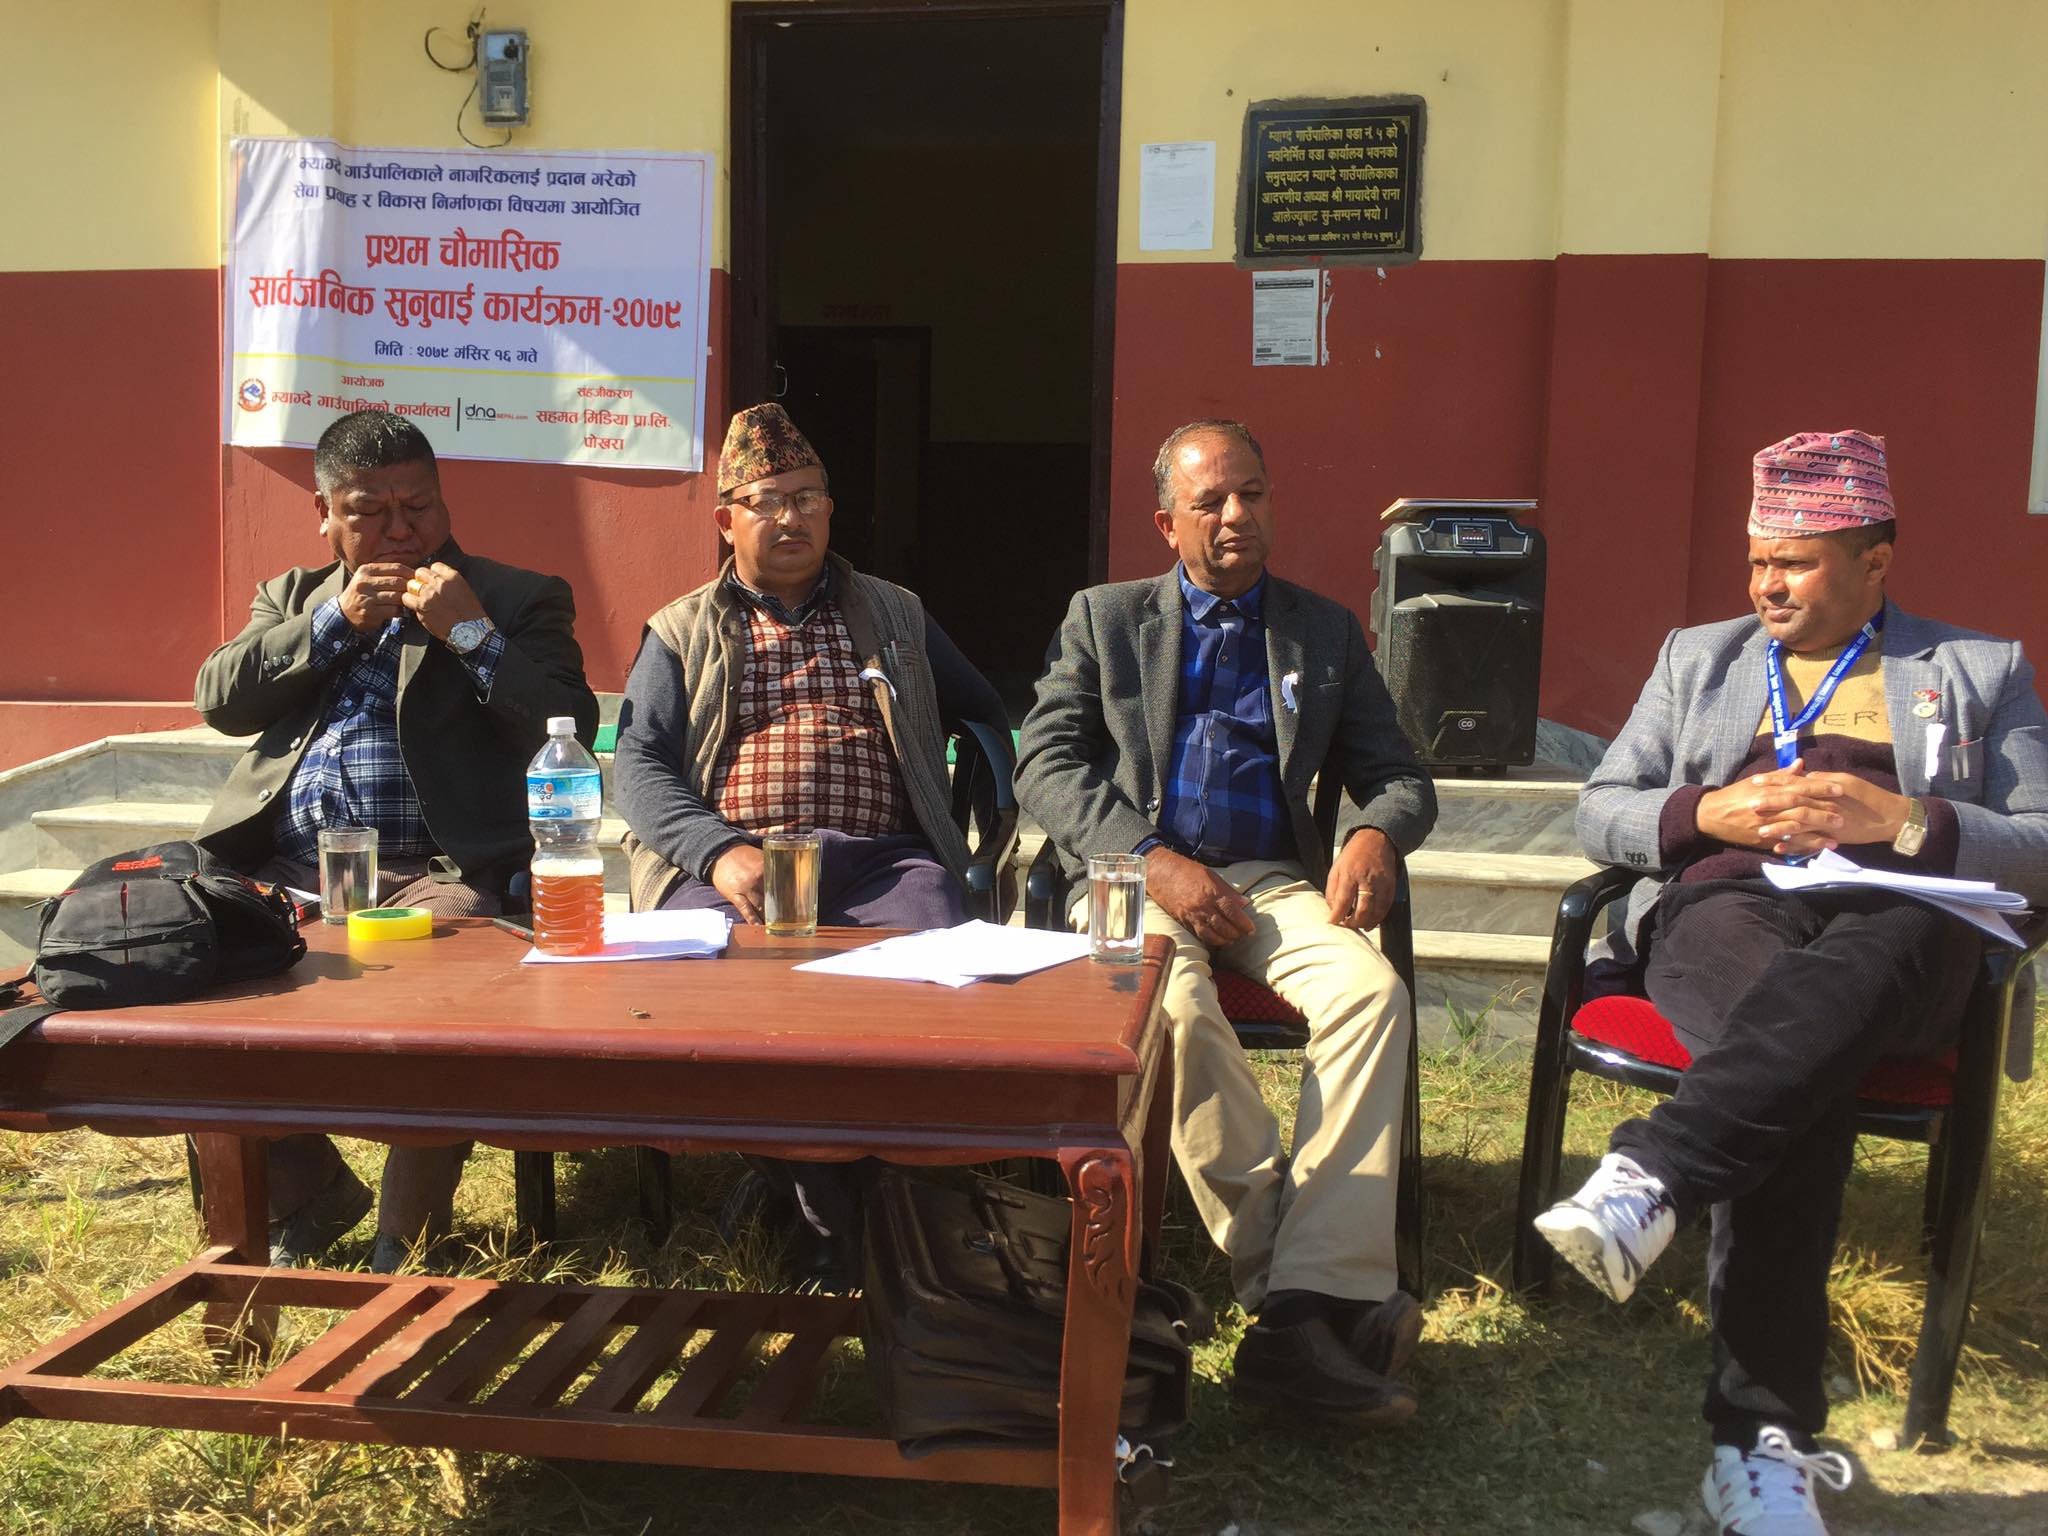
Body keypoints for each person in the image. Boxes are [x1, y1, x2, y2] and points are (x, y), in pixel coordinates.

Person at [1537, 429, 2048, 1534]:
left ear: (1875, 561)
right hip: (1731, 906)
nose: (1766, 584)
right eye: (1757, 560)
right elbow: (1598, 806)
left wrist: (1905, 821)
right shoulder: (1698, 659)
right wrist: (1702, 814)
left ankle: (1655, 1174)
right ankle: (1760, 1446)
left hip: (1901, 926)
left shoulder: (1977, 669)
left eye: (1796, 563)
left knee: (1835, 991)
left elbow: (2043, 842)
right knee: (1797, 1058)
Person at [1014, 418, 1437, 1425]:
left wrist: (1375, 832)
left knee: (1371, 997)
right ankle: (1304, 1293)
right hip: (1134, 875)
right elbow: (1044, 762)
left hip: (1271, 882)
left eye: (1251, 493)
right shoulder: (1105, 618)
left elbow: (1397, 774)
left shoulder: (1321, 631)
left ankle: (1302, 1303)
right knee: (1169, 1008)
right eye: (1210, 502)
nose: (1237, 514)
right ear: (1168, 524)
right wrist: (1150, 860)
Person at [195, 409, 599, 1273]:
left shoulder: (517, 595)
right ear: (325, 513)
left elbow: (569, 723)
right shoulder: (293, 597)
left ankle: (406, 1245)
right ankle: (309, 1192)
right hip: (287, 869)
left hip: (434, 871)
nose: (402, 531)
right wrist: (334, 623)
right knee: (186, 954)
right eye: (371, 513)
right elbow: (219, 698)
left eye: (418, 507)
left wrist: (472, 635)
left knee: (439, 992)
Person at [612, 401, 1009, 1277]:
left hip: (882, 862)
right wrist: (716, 850)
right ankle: (828, 1204)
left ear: (830, 510)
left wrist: (973, 805)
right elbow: (635, 767)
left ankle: (878, 1193)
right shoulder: (681, 629)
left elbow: (984, 707)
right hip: (735, 864)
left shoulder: (896, 613)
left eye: (807, 499)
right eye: (766, 502)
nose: (790, 518)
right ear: (728, 522)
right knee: (713, 1001)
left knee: (938, 973)